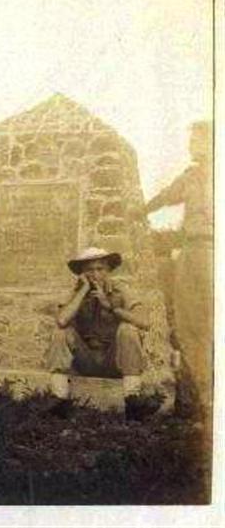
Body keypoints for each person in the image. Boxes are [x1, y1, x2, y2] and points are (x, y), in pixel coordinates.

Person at [145, 120, 213, 415]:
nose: (190, 147)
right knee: (193, 326)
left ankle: (201, 399)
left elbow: (164, 198)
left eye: (196, 140)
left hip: (201, 250)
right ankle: (195, 398)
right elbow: (167, 197)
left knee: (191, 326)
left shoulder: (196, 176)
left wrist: (138, 210)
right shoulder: (192, 175)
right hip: (196, 249)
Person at [47, 247, 159, 420]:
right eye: (89, 270)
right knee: (61, 332)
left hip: (114, 361)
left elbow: (145, 323)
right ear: (82, 274)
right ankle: (59, 400)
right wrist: (83, 291)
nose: (95, 274)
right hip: (85, 361)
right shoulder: (76, 292)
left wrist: (111, 307)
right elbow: (61, 321)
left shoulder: (121, 290)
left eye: (100, 269)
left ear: (108, 272)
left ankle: (132, 400)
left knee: (128, 329)